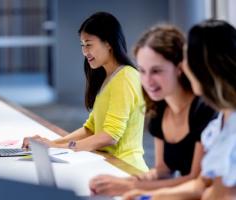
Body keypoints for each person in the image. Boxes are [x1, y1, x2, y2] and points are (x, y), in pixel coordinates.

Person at [89, 24, 217, 196]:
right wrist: (127, 180)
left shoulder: (204, 109)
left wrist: (131, 187)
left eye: (156, 71)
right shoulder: (159, 107)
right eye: (142, 71)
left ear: (179, 68)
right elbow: (163, 171)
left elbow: (195, 179)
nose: (148, 81)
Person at [123, 19, 236, 200]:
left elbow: (213, 190)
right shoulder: (220, 122)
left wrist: (143, 191)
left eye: (187, 60)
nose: (184, 65)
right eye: (142, 71)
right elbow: (202, 184)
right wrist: (148, 194)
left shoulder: (210, 113)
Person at [22, 12, 148, 171]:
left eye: (89, 44)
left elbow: (110, 137)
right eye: (82, 45)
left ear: (108, 43)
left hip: (125, 169)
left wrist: (58, 146)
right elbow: (90, 129)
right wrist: (51, 143)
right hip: (109, 164)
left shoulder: (125, 77)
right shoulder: (109, 77)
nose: (84, 51)